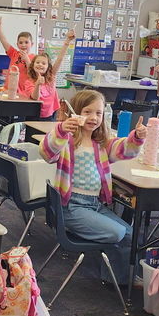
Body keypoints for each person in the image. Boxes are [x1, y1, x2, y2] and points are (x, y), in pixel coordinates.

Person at [39, 89, 147, 283]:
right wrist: (62, 129)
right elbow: (47, 152)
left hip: (94, 204)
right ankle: (114, 274)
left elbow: (125, 150)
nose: (94, 117)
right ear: (76, 113)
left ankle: (119, 280)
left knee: (131, 235)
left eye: (98, 113)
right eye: (88, 112)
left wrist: (137, 138)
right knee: (118, 232)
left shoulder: (101, 143)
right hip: (71, 207)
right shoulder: (68, 139)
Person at [28, 31, 74, 120]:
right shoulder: (29, 81)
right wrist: (37, 84)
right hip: (36, 115)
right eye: (37, 62)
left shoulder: (51, 76)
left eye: (43, 63)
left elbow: (60, 59)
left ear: (48, 67)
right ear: (33, 65)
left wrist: (67, 41)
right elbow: (35, 98)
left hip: (51, 113)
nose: (40, 65)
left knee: (48, 133)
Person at [0, 17, 35, 94]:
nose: (23, 45)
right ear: (17, 44)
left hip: (23, 93)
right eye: (21, 42)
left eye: (26, 42)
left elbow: (33, 74)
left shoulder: (34, 58)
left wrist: (27, 60)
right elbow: (4, 41)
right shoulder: (14, 54)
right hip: (8, 90)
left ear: (31, 44)